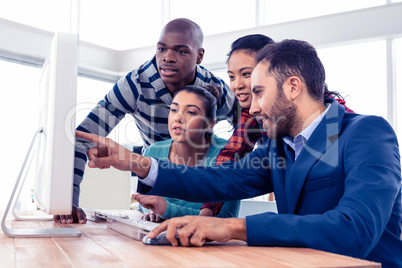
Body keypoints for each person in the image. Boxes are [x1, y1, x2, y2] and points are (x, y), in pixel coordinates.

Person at [76, 39, 402, 267]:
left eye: (259, 92)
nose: (253, 106)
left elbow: (354, 230)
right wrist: (136, 163)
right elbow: (221, 179)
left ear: (292, 87)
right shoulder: (279, 146)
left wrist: (234, 228)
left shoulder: (365, 133)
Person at [53, 18, 236, 224]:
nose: (167, 58)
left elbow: (249, 129)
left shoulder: (215, 89)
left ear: (199, 56)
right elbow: (82, 137)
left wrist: (230, 161)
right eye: (161, 49)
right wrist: (67, 200)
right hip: (156, 177)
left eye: (181, 51)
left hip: (202, 188)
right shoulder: (135, 85)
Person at [200, 34, 354, 216]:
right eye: (231, 77)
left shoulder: (338, 122)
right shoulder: (252, 115)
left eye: (246, 74)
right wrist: (207, 212)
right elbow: (230, 159)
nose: (237, 85)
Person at [137, 85, 239, 222]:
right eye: (174, 109)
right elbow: (144, 200)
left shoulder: (228, 153)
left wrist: (167, 210)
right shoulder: (152, 151)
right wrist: (151, 210)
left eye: (191, 112)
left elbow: (226, 217)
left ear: (209, 124)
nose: (178, 118)